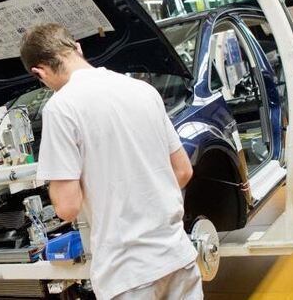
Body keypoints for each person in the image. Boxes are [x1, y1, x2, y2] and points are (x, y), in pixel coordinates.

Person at [20, 23, 203, 300]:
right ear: (78, 48)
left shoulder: (61, 107)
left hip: (128, 273)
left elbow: (67, 208)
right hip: (177, 255)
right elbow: (182, 170)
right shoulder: (142, 89)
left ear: (39, 72)